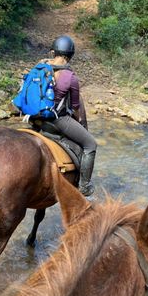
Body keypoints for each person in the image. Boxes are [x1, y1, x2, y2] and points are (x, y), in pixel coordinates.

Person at [44, 35, 97, 197]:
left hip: (36, 118)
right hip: (57, 119)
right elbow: (75, 107)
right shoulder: (70, 77)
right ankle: (84, 186)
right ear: (70, 55)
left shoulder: (41, 67)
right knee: (90, 144)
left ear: (54, 52)